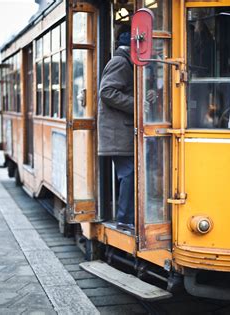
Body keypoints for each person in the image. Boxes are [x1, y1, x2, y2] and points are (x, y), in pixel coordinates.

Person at [97, 25, 135, 231]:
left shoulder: (124, 61)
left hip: (122, 131)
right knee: (129, 174)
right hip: (119, 133)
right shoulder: (120, 62)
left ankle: (127, 218)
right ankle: (124, 220)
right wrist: (137, 105)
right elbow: (107, 92)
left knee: (129, 174)